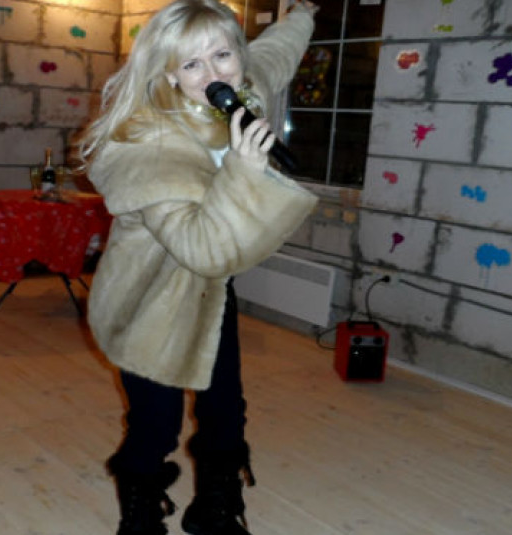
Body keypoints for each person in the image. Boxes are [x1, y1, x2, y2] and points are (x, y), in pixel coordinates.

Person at [76, 1, 318, 534]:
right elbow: (202, 247)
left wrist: (302, 14)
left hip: (208, 293)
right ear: (168, 73)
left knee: (225, 408)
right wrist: (243, 169)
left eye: (222, 54)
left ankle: (215, 505)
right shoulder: (147, 145)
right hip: (146, 301)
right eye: (191, 64)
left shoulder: (235, 94)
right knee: (156, 423)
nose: (213, 74)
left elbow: (274, 56)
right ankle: (140, 508)